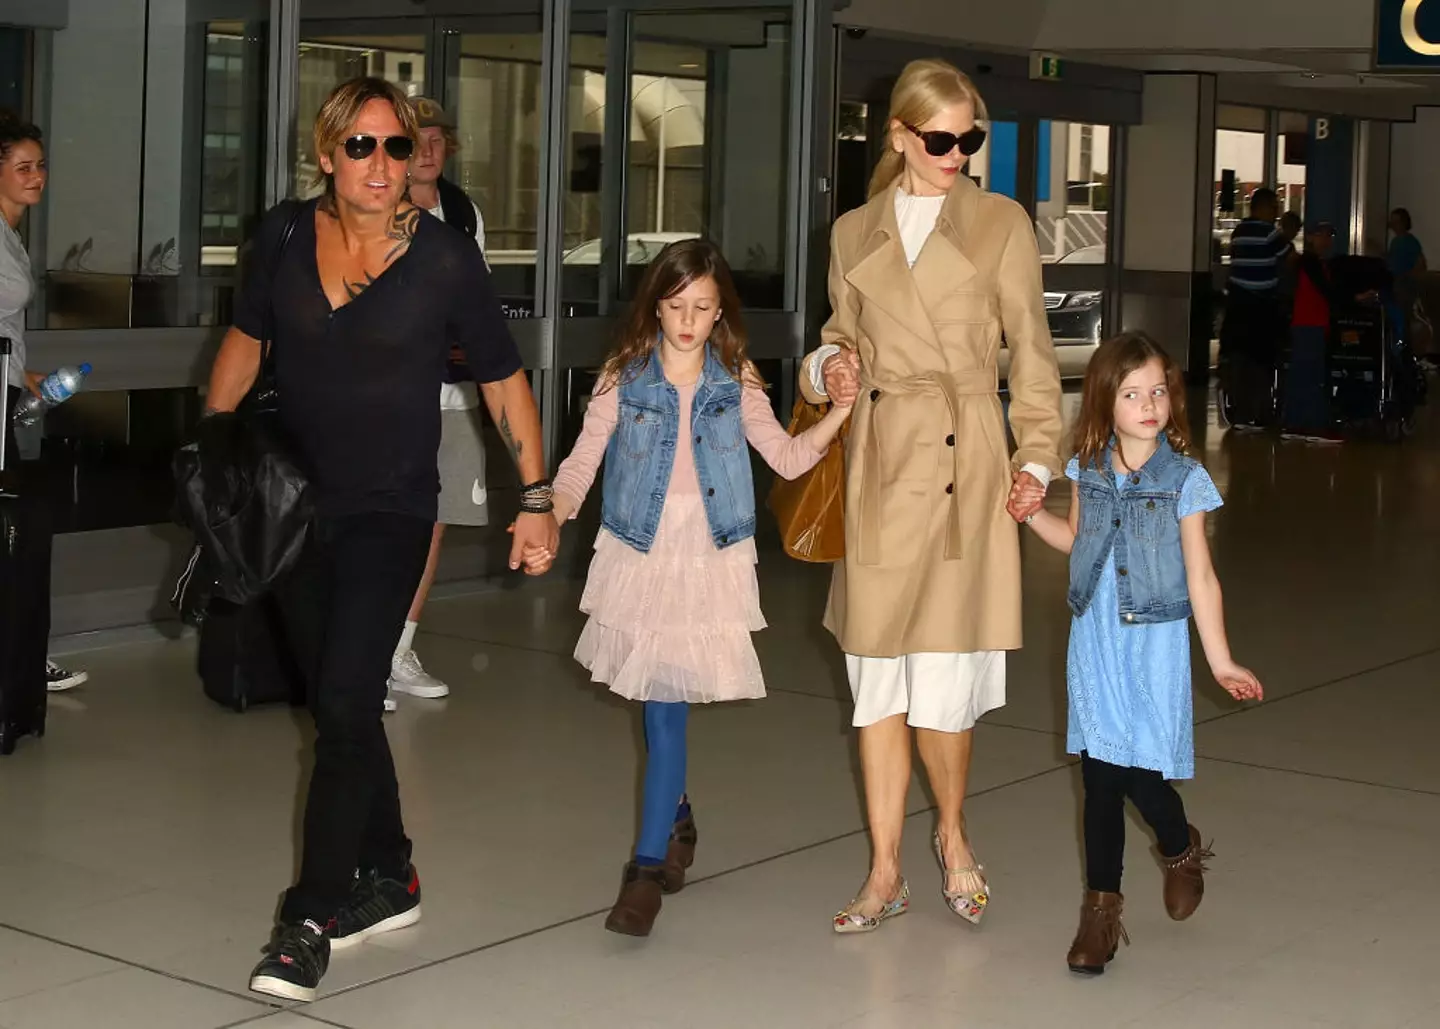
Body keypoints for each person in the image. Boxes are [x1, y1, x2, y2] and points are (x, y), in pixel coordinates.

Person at [203, 77, 558, 1002]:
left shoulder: (443, 260)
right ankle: (390, 871)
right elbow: (246, 339)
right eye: (360, 146)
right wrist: (214, 442)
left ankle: (309, 915)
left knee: (351, 701)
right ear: (326, 153)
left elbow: (503, 382)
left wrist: (537, 494)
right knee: (341, 705)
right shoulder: (282, 235)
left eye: (396, 147)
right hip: (290, 507)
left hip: (390, 510)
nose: (381, 165)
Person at [798, 59, 1064, 934]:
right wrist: (825, 367)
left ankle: (952, 836)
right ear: (901, 137)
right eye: (941, 138)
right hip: (881, 461)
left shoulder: (1000, 224)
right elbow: (838, 337)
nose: (957, 153)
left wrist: (1038, 457)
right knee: (876, 682)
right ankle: (884, 871)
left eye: (970, 138)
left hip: (966, 465)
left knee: (944, 685)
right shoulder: (852, 232)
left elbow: (1030, 351)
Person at [531, 239, 850, 937]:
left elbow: (789, 459)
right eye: (676, 305)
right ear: (655, 305)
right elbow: (583, 459)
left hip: (706, 555)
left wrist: (838, 414)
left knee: (666, 706)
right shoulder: (625, 375)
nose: (687, 319)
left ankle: (645, 870)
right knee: (657, 705)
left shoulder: (737, 379)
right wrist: (550, 515)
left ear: (720, 315)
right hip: (639, 551)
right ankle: (675, 818)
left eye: (703, 308)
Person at [1013, 332, 1262, 976]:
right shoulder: (1088, 470)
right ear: (1105, 402)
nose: (1148, 404)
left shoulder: (1185, 479)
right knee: (1100, 778)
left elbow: (1201, 576)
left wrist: (1222, 660)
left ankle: (1179, 847)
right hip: (1095, 640)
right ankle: (1101, 915)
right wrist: (1029, 514)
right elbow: (1078, 543)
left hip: (1153, 643)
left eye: (1158, 391)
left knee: (1142, 777)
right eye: (1132, 394)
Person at [384, 95, 491, 703]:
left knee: (435, 519)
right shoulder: (375, 207)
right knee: (384, 520)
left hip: (453, 394)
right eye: (413, 137)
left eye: (436, 138)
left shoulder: (461, 210)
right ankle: (364, 651)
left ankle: (399, 646)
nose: (426, 149)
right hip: (390, 397)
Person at [0, 110, 88, 694]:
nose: (37, 176)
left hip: (7, 389)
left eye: (41, 166)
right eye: (23, 167)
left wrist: (21, 372)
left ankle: (22, 656)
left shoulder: (11, 234)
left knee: (19, 529)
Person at [1219, 187, 1290, 429]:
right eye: (1274, 207)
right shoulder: (1270, 233)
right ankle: (1261, 412)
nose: (1276, 212)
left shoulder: (1239, 231)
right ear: (1263, 207)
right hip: (1260, 307)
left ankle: (1239, 412)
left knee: (1240, 360)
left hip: (1238, 304)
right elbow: (1291, 258)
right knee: (1262, 361)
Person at [1282, 222, 1347, 444]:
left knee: (1303, 374)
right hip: (1309, 325)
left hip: (1311, 325)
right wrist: (1352, 299)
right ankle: (1313, 425)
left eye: (1329, 236)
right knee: (1311, 375)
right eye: (1321, 235)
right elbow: (1326, 291)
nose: (1326, 240)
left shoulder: (1315, 263)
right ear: (1310, 238)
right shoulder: (1309, 262)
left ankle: (1296, 423)